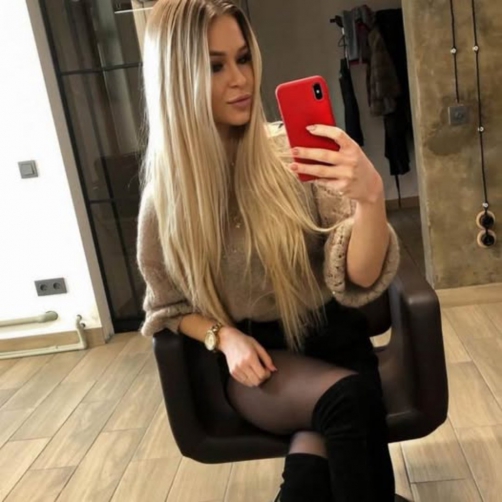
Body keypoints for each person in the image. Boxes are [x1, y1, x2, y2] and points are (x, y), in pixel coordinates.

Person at [136, 1, 400, 500]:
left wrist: (370, 198)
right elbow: (168, 305)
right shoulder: (166, 198)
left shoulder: (293, 155)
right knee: (348, 402)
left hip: (335, 341)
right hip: (261, 361)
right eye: (215, 66)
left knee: (313, 475)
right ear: (177, 79)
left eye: (243, 58)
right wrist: (223, 337)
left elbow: (361, 277)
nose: (240, 79)